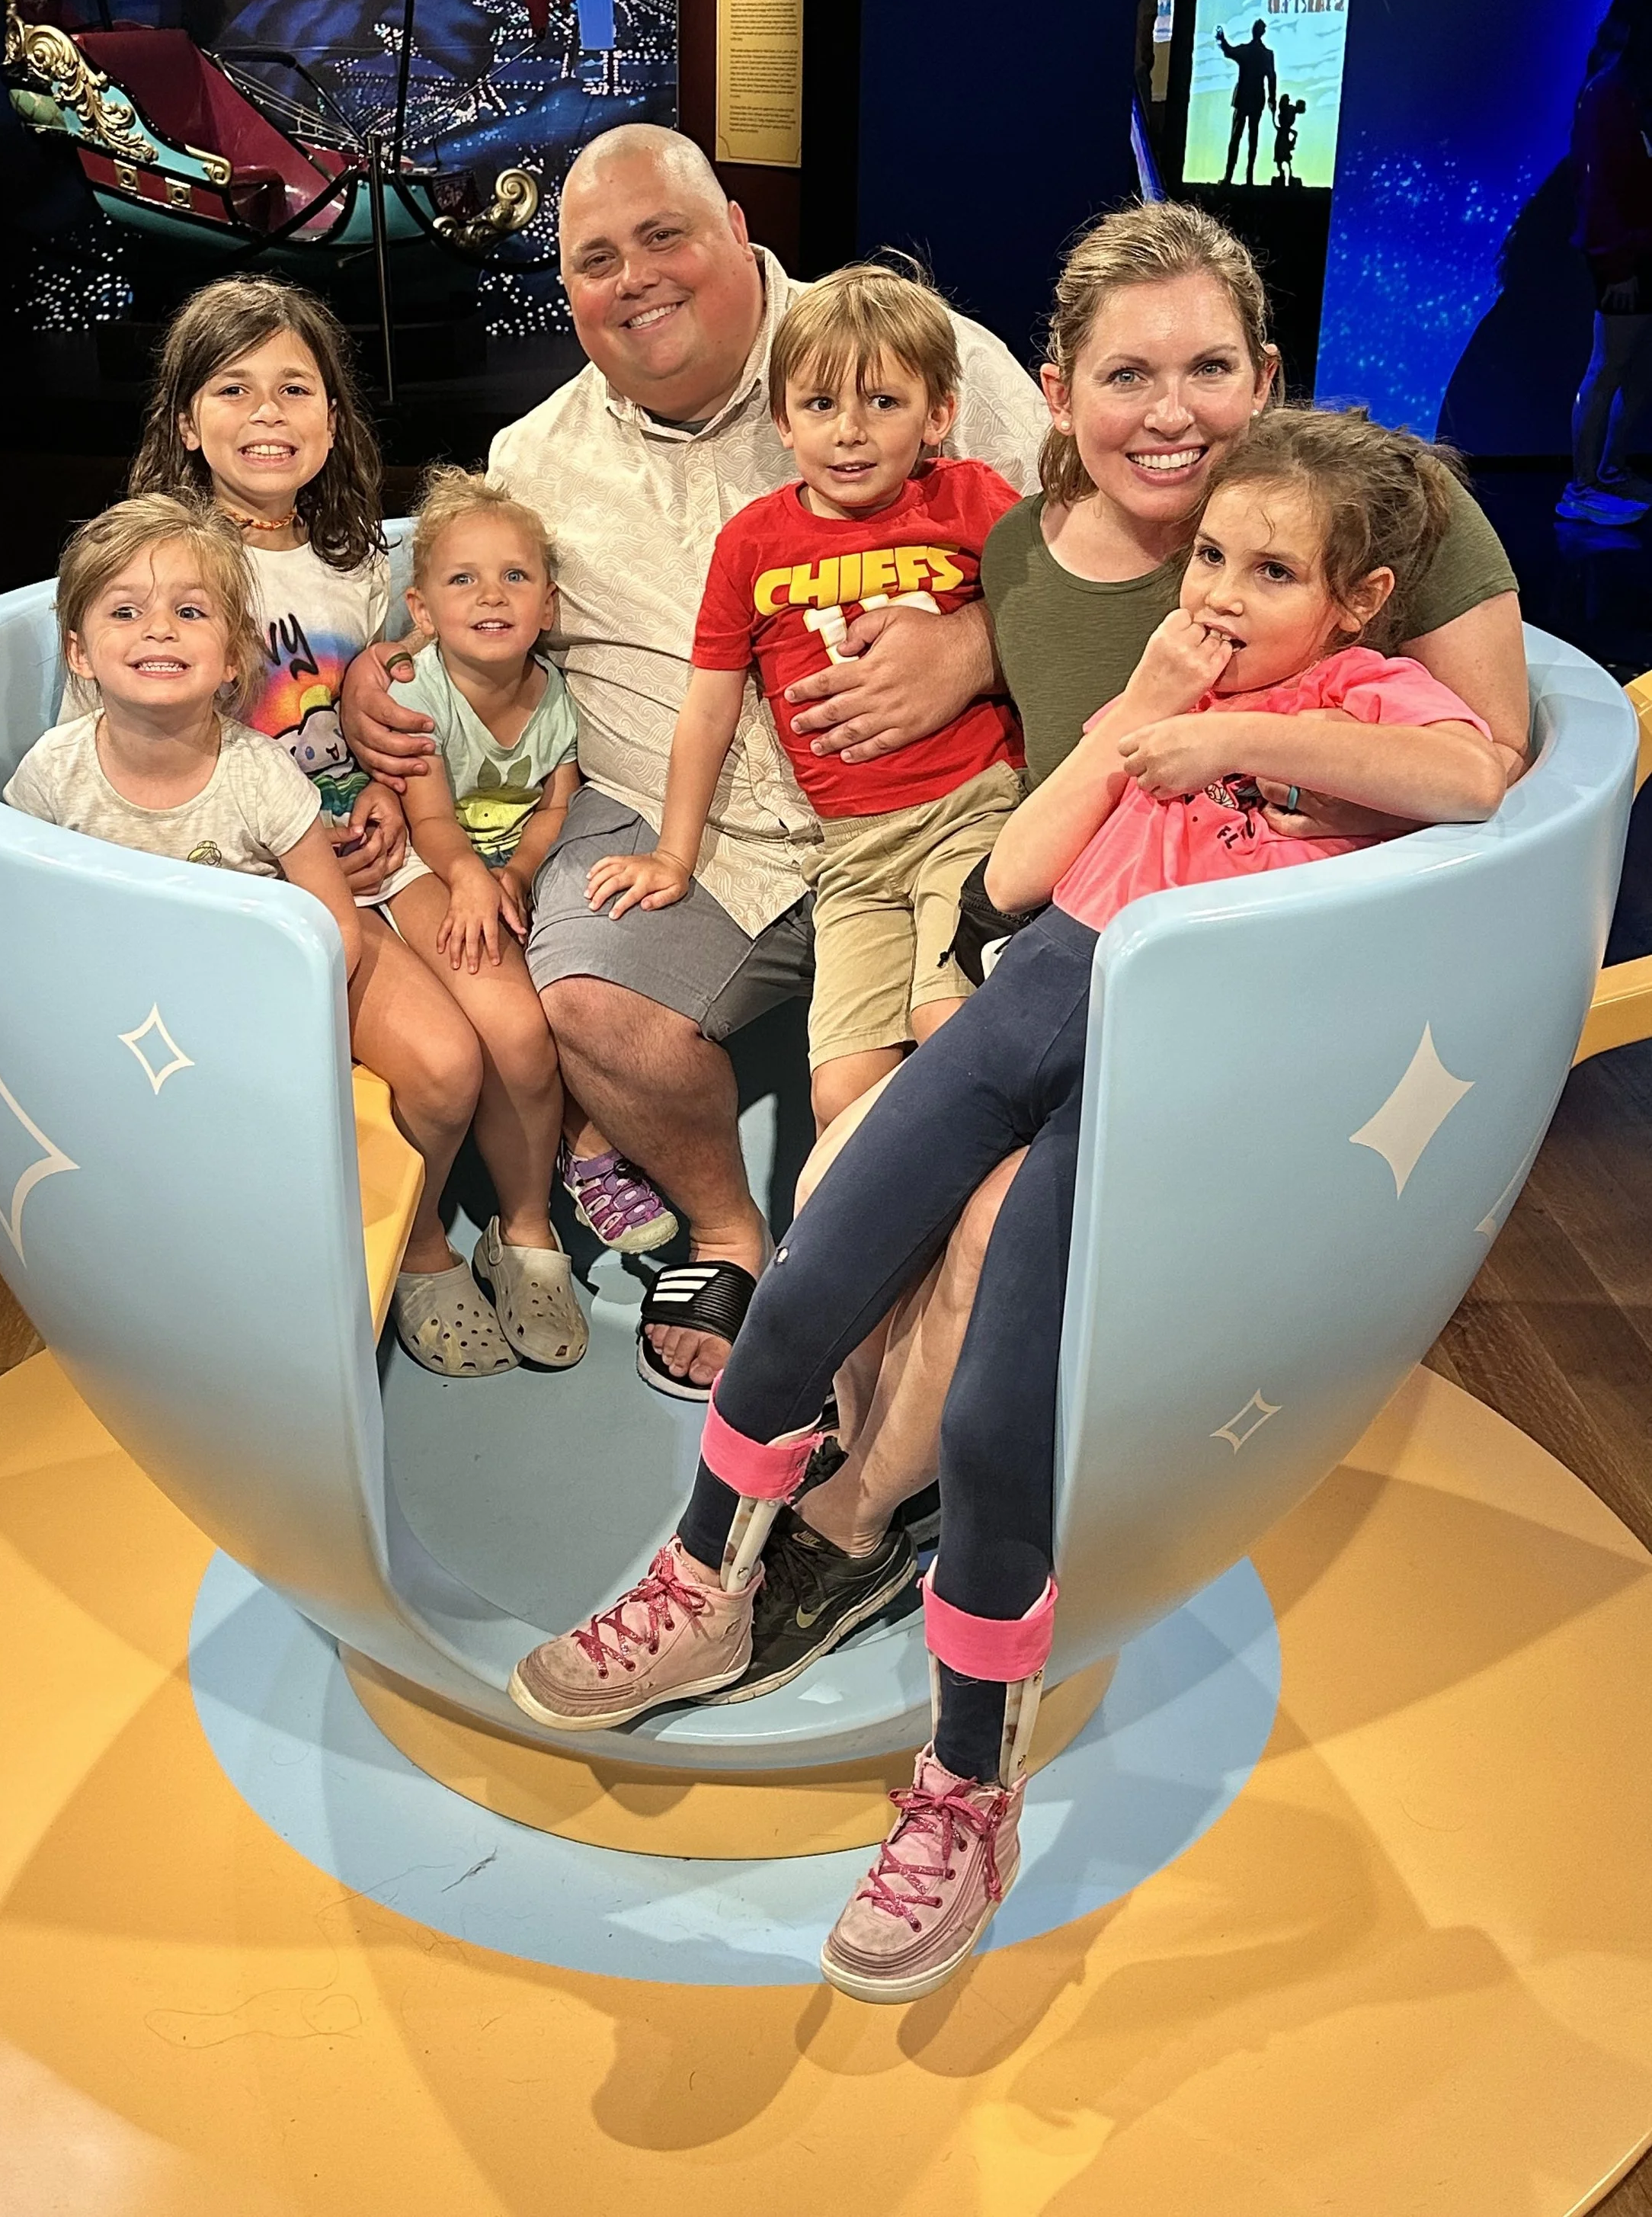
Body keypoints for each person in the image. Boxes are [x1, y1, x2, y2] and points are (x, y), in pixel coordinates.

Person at [509, 407, 1505, 2005]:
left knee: (993, 1428)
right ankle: (703, 1582)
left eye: (1270, 569)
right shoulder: (1164, 686)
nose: (1223, 593)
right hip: (1028, 1002)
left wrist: (1242, 741)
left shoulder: (1363, 697)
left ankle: (966, 1784)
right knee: (811, 1278)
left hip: (1153, 1069)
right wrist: (1140, 721)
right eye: (1208, 558)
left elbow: (1468, 774)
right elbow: (1024, 883)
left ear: (1360, 597)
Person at [706, 200, 1532, 1709]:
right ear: (1060, 390)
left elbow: (1487, 767)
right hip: (1058, 941)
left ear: (1266, 374)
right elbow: (1043, 794)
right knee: (840, 1166)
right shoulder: (1024, 545)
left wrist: (1227, 742)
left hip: (1229, 998)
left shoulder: (1372, 525)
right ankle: (846, 1457)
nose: (1169, 413)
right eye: (1124, 375)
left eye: (1208, 367)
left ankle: (858, 1517)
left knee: (988, 1224)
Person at [338, 124, 1048, 1395]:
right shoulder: (535, 459)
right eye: (595, 259)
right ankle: (729, 1231)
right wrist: (363, 686)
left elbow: (1086, 551)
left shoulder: (915, 352)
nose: (635, 277)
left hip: (945, 801)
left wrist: (973, 646)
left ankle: (941, 1288)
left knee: (976, 1020)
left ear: (738, 229)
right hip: (690, 829)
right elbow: (444, 610)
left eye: (664, 235)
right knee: (588, 990)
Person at [583, 262, 1020, 1157]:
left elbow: (1053, 606)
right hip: (851, 855)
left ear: (938, 414)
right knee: (842, 1088)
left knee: (948, 1019)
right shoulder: (752, 543)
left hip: (973, 815)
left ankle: (971, 1246)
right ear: (781, 419)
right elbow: (708, 705)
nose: (850, 432)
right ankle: (870, 1264)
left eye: (883, 403)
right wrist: (673, 852)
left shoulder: (970, 499)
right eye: (819, 405)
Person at [6, 498, 484, 1293]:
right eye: (125, 611)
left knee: (449, 1063)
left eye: (188, 612)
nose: (157, 629)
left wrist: (281, 1012)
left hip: (263, 989)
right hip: (133, 1009)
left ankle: (416, 1238)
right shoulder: (52, 774)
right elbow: (22, 912)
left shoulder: (260, 771)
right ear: (79, 652)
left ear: (232, 656)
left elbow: (334, 919)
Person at [379, 470, 589, 1370]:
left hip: (498, 872)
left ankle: (528, 1229)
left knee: (522, 1031)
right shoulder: (414, 693)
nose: (491, 595)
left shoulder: (558, 699)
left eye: (514, 577)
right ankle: (421, 1253)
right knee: (481, 1029)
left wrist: (523, 871)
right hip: (422, 867)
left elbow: (552, 807)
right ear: (421, 609)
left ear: (548, 603)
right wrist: (473, 878)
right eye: (463, 579)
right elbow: (427, 821)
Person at [124, 276, 406, 901]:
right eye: (233, 388)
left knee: (498, 999)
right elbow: (105, 761)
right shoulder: (150, 577)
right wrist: (293, 861)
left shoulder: (359, 562)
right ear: (186, 425)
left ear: (331, 422)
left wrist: (386, 793)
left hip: (364, 855)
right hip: (236, 876)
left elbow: (367, 721)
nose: (268, 410)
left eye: (294, 389)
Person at [1562, 0, 1652, 529]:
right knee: (1609, 366)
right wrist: (1615, 262)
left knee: (1636, 370)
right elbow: (1597, 191)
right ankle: (1583, 483)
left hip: (1641, 254)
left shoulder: (1636, 92)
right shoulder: (1607, 93)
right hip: (1620, 261)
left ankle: (1611, 468)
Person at [1216, 20, 1276, 185]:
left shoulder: (1250, 51)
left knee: (1238, 137)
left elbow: (1229, 51)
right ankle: (1247, 177)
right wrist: (1272, 99)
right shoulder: (1266, 54)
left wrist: (1222, 40)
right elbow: (1272, 78)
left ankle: (1231, 177)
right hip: (1255, 99)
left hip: (1245, 98)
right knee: (1251, 137)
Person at [1272, 91, 1306, 186]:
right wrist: (1291, 132)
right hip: (1283, 136)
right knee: (1283, 156)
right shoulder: (1290, 110)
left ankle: (1286, 176)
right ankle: (1284, 176)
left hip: (1284, 135)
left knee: (1284, 157)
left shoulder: (1291, 110)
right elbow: (1285, 125)